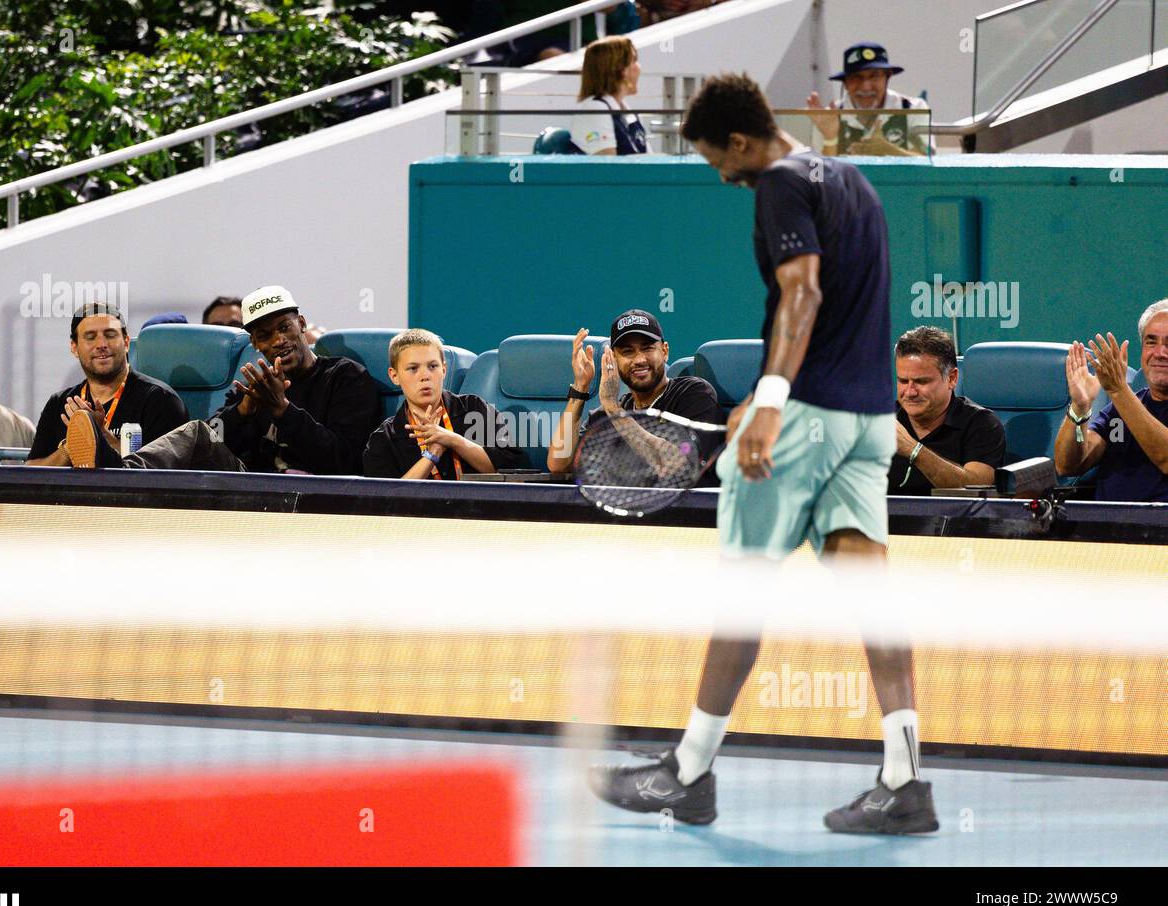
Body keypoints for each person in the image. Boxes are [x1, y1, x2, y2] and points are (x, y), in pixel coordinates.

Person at [588, 73, 938, 834]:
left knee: (743, 591)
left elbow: (803, 295)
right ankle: (905, 778)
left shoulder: (777, 183)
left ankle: (686, 771)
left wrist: (772, 404)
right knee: (871, 596)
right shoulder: (850, 179)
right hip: (868, 420)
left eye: (718, 158)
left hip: (806, 420)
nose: (720, 174)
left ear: (741, 140)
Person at [65, 285, 381, 476]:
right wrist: (243, 410)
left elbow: (345, 459)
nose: (278, 340)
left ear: (301, 324)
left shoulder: (345, 376)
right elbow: (215, 441)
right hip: (256, 489)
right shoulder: (255, 384)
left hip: (318, 491)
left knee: (198, 435)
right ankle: (122, 474)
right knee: (201, 434)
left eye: (285, 327)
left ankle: (123, 473)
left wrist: (283, 410)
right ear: (255, 344)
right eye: (265, 335)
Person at [547, 310, 722, 478]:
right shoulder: (606, 414)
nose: (639, 360)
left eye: (647, 348)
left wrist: (613, 408)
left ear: (665, 351)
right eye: (627, 352)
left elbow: (677, 466)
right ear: (614, 359)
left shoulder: (693, 394)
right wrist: (580, 387)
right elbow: (558, 464)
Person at [26, 303, 189, 467]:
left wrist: (100, 434)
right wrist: (71, 447)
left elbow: (158, 474)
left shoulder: (160, 400)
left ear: (126, 343)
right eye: (90, 337)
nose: (101, 344)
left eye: (110, 335)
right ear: (74, 347)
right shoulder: (59, 403)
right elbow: (31, 473)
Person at [363, 329, 525, 479]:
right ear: (394, 376)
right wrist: (433, 453)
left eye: (433, 366)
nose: (425, 376)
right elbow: (387, 497)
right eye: (413, 369)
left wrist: (454, 440)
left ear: (444, 369)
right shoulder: (384, 438)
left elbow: (510, 473)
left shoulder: (474, 410)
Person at [1054, 299, 1168, 503]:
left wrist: (1118, 390)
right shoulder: (1121, 409)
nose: (1159, 353)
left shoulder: (1123, 400)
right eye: (1151, 342)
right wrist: (1079, 409)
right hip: (1102, 528)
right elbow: (1069, 464)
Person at [889, 326, 1005, 494]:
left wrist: (913, 450)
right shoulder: (883, 419)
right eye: (903, 381)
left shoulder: (982, 424)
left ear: (952, 378)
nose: (910, 392)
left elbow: (975, 491)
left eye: (921, 382)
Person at [805, 42, 933, 157]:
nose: (866, 87)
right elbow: (818, 176)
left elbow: (929, 167)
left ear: (887, 78)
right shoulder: (828, 117)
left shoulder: (912, 108)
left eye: (874, 76)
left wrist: (889, 150)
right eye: (857, 77)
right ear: (845, 83)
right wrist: (830, 137)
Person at [570, 37, 647, 156]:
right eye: (634, 61)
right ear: (621, 70)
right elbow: (607, 167)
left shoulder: (628, 111)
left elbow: (649, 160)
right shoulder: (595, 109)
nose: (639, 67)